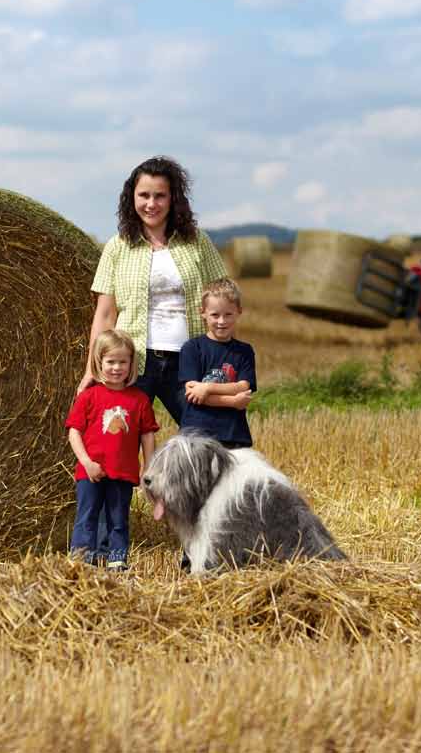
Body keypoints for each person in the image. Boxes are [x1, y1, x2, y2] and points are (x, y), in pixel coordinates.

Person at [80, 156, 226, 558]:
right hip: (134, 363)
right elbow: (106, 314)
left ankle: (201, 542)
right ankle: (112, 549)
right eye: (144, 195)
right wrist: (92, 369)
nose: (151, 203)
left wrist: (224, 358)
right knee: (117, 453)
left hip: (189, 364)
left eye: (160, 195)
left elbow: (220, 299)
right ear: (132, 199)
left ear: (173, 198)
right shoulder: (118, 247)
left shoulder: (197, 243)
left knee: (203, 447)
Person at [65, 329, 158, 570]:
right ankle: (83, 560)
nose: (117, 368)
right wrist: (86, 462)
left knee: (118, 519)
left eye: (123, 362)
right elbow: (74, 431)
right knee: (87, 518)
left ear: (131, 364)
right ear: (99, 362)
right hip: (90, 470)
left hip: (123, 471)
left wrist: (149, 466)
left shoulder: (139, 400)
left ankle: (116, 559)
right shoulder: (89, 397)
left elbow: (147, 434)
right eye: (111, 362)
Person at [178, 277, 256, 449]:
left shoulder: (244, 351)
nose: (222, 321)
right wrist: (233, 402)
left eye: (228, 314)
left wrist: (207, 388)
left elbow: (243, 386)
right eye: (215, 315)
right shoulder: (192, 348)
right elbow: (194, 396)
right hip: (197, 435)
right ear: (203, 313)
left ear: (239, 312)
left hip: (234, 434)